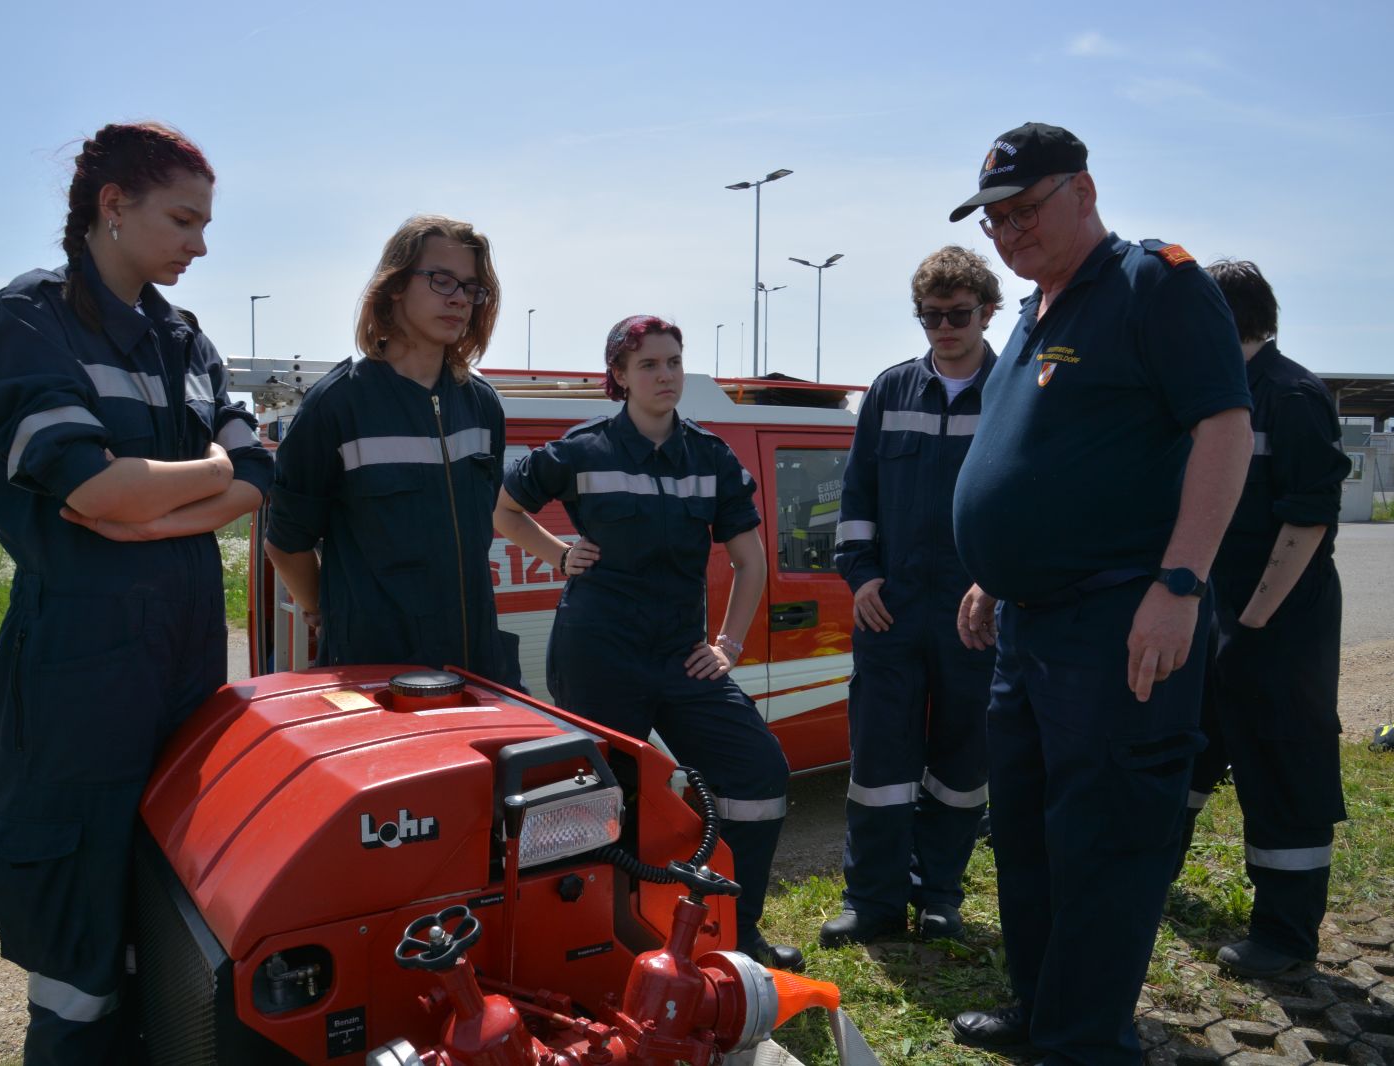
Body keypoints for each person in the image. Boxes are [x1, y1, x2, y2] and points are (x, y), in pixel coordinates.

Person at [0, 122, 272, 1063]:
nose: (200, 244)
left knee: (173, 912)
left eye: (205, 223)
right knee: (80, 946)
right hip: (78, 668)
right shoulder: (31, 321)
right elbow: (96, 490)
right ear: (112, 205)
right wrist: (202, 475)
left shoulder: (186, 339)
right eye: (183, 219)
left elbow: (258, 478)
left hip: (186, 659)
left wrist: (156, 511)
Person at [945, 122, 1253, 1063]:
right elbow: (1040, 459)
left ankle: (1085, 1041)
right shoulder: (1036, 309)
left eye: (1024, 210)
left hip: (1119, 619)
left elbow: (1224, 430)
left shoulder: (1155, 284)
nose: (1009, 232)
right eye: (995, 220)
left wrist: (1180, 582)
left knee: (1106, 842)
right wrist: (995, 572)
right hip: (1030, 626)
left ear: (1082, 191)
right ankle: (1042, 1009)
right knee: (1028, 833)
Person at [493, 316, 801, 971]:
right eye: (649, 365)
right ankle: (601, 950)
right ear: (620, 376)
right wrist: (557, 553)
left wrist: (728, 645)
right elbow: (503, 508)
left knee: (759, 773)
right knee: (603, 804)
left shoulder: (711, 456)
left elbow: (750, 561)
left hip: (683, 657)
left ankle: (734, 933)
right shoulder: (583, 449)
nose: (666, 376)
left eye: (674, 362)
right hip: (598, 657)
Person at [820, 247, 1000, 948]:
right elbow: (857, 495)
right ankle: (872, 901)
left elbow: (1028, 499)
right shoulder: (891, 391)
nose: (944, 328)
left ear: (988, 312)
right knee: (879, 764)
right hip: (889, 609)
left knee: (961, 764)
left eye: (958, 315)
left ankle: (939, 896)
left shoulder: (1014, 391)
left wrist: (1000, 581)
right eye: (931, 316)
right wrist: (862, 576)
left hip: (975, 615)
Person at [1176, 260, 1350, 979]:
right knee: (1185, 753)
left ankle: (1284, 935)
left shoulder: (1291, 396)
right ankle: (1151, 877)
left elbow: (1307, 520)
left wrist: (1248, 629)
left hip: (1277, 631)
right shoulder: (1218, 397)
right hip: (1214, 619)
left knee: (1282, 771)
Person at [264, 215, 520, 686]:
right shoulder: (337, 404)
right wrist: (325, 609)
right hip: (377, 676)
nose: (459, 299)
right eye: (441, 280)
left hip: (477, 669)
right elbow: (285, 542)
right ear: (395, 285)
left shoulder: (482, 405)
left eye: (471, 288)